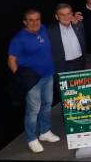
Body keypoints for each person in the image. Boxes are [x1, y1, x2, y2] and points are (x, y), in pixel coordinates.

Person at [8, 9, 60, 152]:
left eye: (37, 19)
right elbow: (11, 60)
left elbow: (59, 23)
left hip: (48, 75)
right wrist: (21, 79)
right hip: (32, 81)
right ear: (25, 22)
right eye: (31, 20)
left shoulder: (43, 29)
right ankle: (31, 138)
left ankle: (44, 132)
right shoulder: (19, 39)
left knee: (47, 105)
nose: (35, 22)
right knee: (33, 110)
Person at [48, 3, 86, 73]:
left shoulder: (78, 25)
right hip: (64, 67)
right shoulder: (50, 31)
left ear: (72, 14)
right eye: (62, 15)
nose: (66, 17)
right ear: (57, 16)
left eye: (68, 14)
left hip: (81, 64)